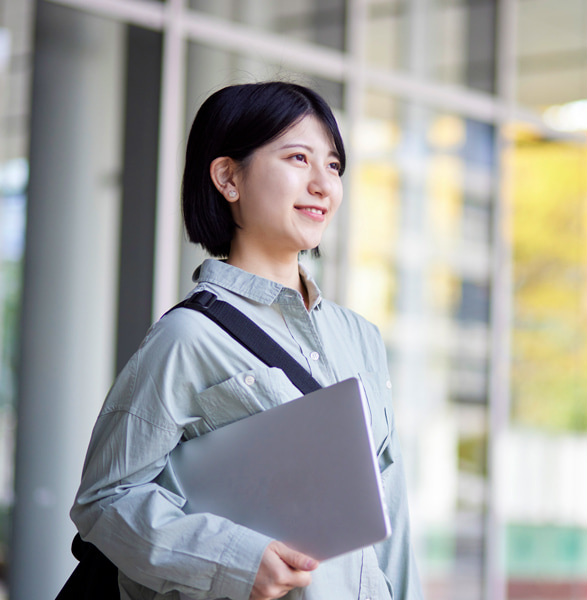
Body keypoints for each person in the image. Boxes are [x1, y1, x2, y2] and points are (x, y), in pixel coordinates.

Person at [70, 81, 423, 600]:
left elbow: (390, 512)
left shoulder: (359, 337)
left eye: (333, 165)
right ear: (228, 177)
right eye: (298, 158)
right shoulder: (186, 337)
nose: (323, 184)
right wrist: (236, 558)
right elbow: (106, 498)